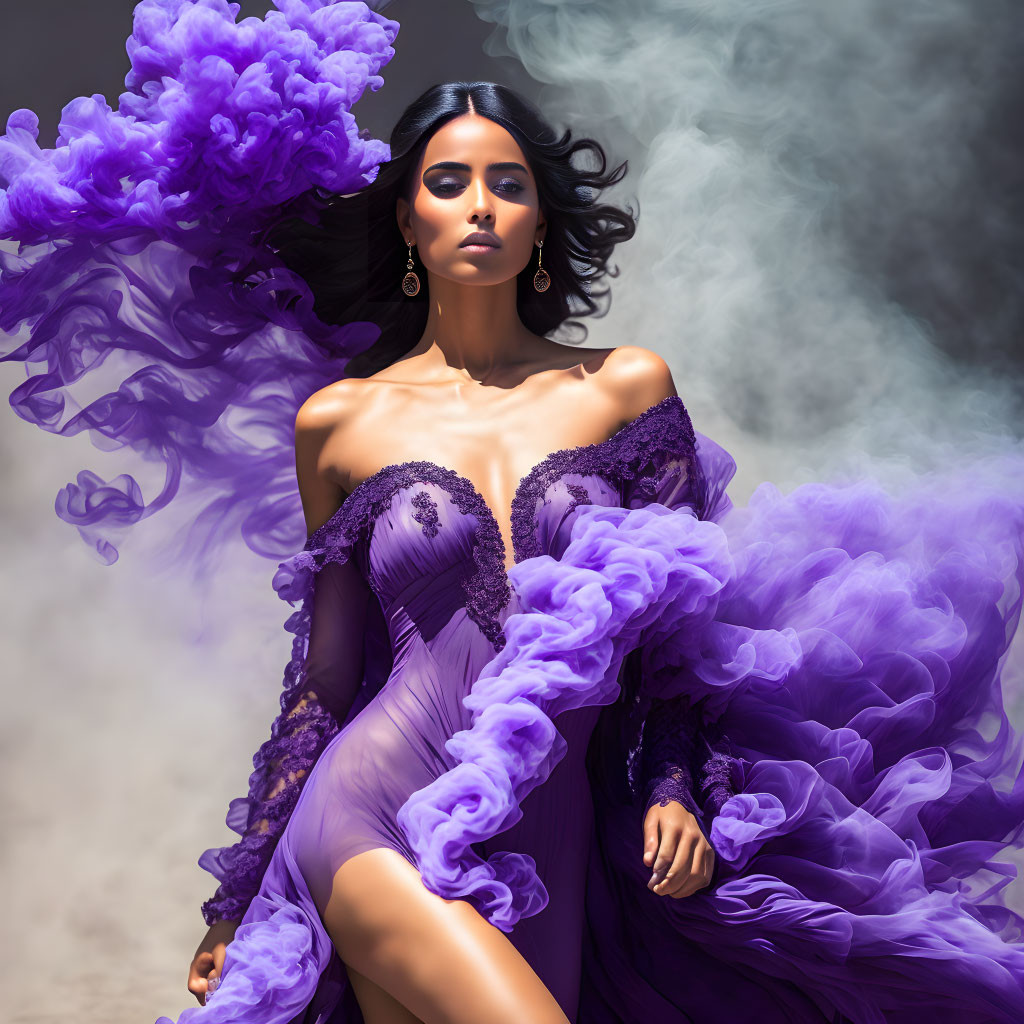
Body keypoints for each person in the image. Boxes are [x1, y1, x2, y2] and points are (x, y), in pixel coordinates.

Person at [3, 6, 1024, 1023]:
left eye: (508, 184)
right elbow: (320, 685)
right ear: (408, 219)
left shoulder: (624, 388)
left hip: (550, 837)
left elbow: (679, 639)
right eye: (448, 184)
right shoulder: (342, 421)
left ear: (539, 218)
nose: (480, 206)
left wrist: (675, 785)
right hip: (369, 818)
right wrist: (234, 903)